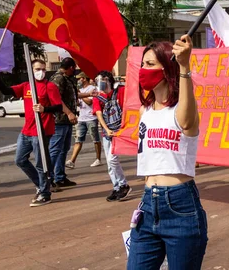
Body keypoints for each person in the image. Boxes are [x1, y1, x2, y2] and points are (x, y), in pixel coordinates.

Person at [128, 36, 207, 269]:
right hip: (147, 203)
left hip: (180, 205)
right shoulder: (145, 110)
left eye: (151, 64)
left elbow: (184, 121)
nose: (144, 70)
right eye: (143, 64)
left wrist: (184, 65)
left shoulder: (184, 110)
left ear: (167, 67)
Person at [0, 60, 62, 207]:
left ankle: (45, 193)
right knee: (20, 160)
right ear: (32, 70)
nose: (40, 71)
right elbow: (6, 91)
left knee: (41, 163)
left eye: (42, 69)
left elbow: (58, 107)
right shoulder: (26, 86)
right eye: (37, 69)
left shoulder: (50, 86)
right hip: (27, 130)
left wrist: (44, 109)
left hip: (42, 130)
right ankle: (41, 185)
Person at [93, 70, 131, 201]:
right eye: (98, 80)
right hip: (107, 133)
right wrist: (106, 129)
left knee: (112, 159)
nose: (100, 82)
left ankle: (124, 184)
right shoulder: (98, 97)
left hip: (120, 131)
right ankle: (117, 187)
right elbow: (98, 113)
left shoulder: (119, 91)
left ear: (109, 80)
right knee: (110, 163)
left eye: (103, 79)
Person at [49, 57, 79, 189]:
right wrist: (69, 113)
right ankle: (48, 179)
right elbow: (56, 99)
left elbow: (71, 95)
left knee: (63, 149)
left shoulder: (66, 78)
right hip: (59, 119)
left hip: (66, 121)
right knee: (55, 150)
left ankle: (60, 177)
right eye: (74, 68)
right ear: (71, 67)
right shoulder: (58, 79)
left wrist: (89, 93)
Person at [66, 72, 102, 168]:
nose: (78, 81)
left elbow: (90, 102)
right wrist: (77, 99)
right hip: (81, 118)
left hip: (91, 118)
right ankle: (72, 161)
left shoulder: (92, 89)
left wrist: (81, 95)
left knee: (95, 140)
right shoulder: (81, 90)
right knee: (78, 140)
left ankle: (98, 159)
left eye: (80, 79)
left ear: (84, 79)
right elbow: (79, 103)